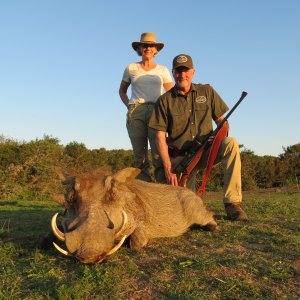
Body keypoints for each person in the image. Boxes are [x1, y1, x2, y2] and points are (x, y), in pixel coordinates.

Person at [149, 54, 248, 221]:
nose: (182, 75)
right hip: (179, 159)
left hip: (206, 152)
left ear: (193, 72)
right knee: (179, 208)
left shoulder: (207, 91)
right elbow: (159, 137)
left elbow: (223, 123)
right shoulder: (164, 101)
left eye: (186, 70)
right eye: (178, 71)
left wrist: (217, 136)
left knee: (231, 143)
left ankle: (233, 203)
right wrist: (168, 169)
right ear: (173, 73)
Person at [119, 32, 174, 182]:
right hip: (136, 111)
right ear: (140, 48)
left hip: (157, 111)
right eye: (145, 45)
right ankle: (144, 191)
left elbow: (172, 92)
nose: (148, 48)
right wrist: (129, 106)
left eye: (151, 45)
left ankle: (162, 190)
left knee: (158, 154)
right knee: (140, 157)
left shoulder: (162, 70)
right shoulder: (131, 68)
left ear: (156, 50)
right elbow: (122, 91)